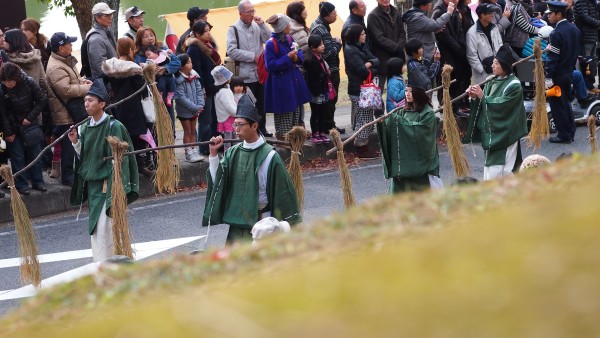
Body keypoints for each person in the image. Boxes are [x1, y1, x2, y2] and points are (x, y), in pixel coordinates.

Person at [203, 94, 301, 243]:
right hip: (237, 225)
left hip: (263, 225)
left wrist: (288, 223)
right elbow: (219, 183)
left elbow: (283, 193)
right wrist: (213, 154)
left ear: (254, 126)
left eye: (240, 125)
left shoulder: (270, 156)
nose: (236, 129)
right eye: (235, 124)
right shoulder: (232, 153)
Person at [69, 79, 139, 262]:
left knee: (106, 228)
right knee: (96, 229)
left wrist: (119, 183)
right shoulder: (84, 127)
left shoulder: (114, 126)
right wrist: (76, 142)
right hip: (92, 186)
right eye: (85, 100)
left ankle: (110, 264)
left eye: (91, 100)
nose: (86, 103)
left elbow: (126, 158)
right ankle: (103, 264)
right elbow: (84, 157)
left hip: (109, 185)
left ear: (102, 104)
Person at [464, 44, 528, 180]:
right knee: (490, 170)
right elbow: (484, 102)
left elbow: (503, 106)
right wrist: (475, 96)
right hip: (493, 131)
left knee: (504, 171)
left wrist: (483, 97)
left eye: (496, 63)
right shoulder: (490, 80)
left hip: (506, 133)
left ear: (504, 65)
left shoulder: (514, 85)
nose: (492, 66)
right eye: (493, 63)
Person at [377, 74, 442, 193]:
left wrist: (396, 121)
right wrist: (384, 123)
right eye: (406, 90)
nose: (407, 94)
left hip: (420, 166)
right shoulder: (403, 112)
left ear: (419, 93)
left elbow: (420, 133)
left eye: (411, 91)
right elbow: (394, 130)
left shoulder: (428, 114)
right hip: (402, 166)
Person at [46, 32, 93, 187]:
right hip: (64, 112)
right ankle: (68, 177)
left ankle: (74, 174)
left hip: (71, 110)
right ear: (61, 47)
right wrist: (85, 88)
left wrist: (82, 81)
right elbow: (65, 90)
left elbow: (73, 79)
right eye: (69, 44)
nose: (72, 46)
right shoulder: (55, 67)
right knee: (68, 146)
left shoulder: (65, 60)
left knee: (74, 142)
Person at [102, 37, 153, 177]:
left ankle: (126, 167)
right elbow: (141, 89)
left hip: (119, 105)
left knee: (123, 137)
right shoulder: (133, 69)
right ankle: (140, 166)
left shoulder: (111, 67)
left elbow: (102, 80)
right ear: (130, 49)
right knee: (136, 138)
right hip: (134, 106)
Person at [226, 0, 272, 137]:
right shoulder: (233, 29)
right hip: (245, 74)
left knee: (262, 104)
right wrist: (253, 56)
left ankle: (262, 130)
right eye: (249, 12)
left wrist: (263, 25)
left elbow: (270, 40)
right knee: (248, 105)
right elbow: (231, 51)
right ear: (241, 14)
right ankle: (250, 133)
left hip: (261, 73)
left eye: (253, 11)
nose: (252, 14)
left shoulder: (257, 26)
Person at [0, 62, 47, 195]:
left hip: (29, 124)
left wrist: (30, 117)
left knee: (35, 154)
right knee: (17, 156)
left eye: (10, 81)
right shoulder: (2, 89)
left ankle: (38, 181)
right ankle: (21, 184)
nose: (7, 84)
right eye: (5, 81)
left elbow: (41, 101)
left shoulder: (29, 82)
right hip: (12, 126)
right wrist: (8, 132)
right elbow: (2, 113)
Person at [264, 14, 311, 139]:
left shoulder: (289, 38)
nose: (290, 26)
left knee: (295, 109)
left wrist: (296, 57)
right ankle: (284, 137)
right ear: (282, 27)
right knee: (285, 110)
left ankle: (296, 136)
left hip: (293, 81)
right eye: (288, 24)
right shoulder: (270, 44)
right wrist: (288, 58)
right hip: (281, 84)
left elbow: (299, 52)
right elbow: (270, 66)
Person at [134, 26, 181, 136]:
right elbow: (140, 71)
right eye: (146, 37)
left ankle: (171, 142)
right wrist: (152, 71)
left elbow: (177, 62)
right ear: (140, 40)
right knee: (156, 127)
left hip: (167, 93)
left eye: (151, 35)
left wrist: (165, 69)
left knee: (170, 124)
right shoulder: (139, 56)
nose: (150, 38)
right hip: (152, 95)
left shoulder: (162, 48)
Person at [546, 1, 581, 143]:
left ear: (558, 14)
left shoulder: (557, 33)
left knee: (558, 105)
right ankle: (570, 132)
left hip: (558, 75)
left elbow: (553, 58)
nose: (548, 16)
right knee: (565, 103)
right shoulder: (575, 30)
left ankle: (564, 135)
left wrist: (548, 76)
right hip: (569, 72)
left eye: (551, 14)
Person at [344, 24, 380, 158]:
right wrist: (372, 67)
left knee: (366, 117)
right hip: (358, 89)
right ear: (356, 36)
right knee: (364, 119)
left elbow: (377, 61)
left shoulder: (362, 46)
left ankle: (363, 145)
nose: (365, 35)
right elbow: (362, 71)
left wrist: (370, 64)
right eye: (362, 34)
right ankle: (361, 147)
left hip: (364, 89)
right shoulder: (351, 50)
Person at [186, 21, 221, 153]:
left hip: (213, 86)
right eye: (206, 31)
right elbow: (197, 72)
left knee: (214, 118)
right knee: (205, 119)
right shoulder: (194, 49)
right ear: (197, 34)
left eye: (209, 30)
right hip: (204, 88)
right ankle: (204, 147)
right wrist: (202, 90)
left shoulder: (208, 45)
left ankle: (215, 143)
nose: (209, 33)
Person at [311, 2, 345, 134]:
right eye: (333, 13)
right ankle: (329, 126)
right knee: (330, 98)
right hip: (329, 69)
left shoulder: (316, 24)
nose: (336, 15)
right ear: (326, 15)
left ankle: (326, 125)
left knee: (327, 99)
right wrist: (337, 44)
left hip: (322, 68)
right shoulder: (322, 29)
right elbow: (328, 53)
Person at [432, 0, 471, 114]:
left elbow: (459, 30)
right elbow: (443, 34)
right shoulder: (439, 10)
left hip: (457, 50)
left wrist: (462, 47)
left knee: (457, 78)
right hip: (445, 51)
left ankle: (455, 105)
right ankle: (445, 105)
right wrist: (457, 48)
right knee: (445, 79)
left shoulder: (454, 8)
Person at [367, 0, 407, 90]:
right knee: (378, 90)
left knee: (397, 89)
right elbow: (378, 38)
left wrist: (400, 47)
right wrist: (396, 47)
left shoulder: (395, 11)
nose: (385, 0)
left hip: (396, 57)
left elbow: (402, 32)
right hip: (382, 58)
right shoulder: (373, 16)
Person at [174, 53, 204, 163]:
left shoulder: (195, 76)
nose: (191, 64)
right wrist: (195, 107)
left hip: (196, 109)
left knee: (193, 131)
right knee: (188, 131)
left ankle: (195, 150)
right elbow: (181, 98)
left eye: (191, 62)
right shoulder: (179, 80)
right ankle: (188, 153)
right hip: (185, 111)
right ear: (181, 66)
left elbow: (199, 91)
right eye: (188, 62)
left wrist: (200, 105)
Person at [303, 34, 333, 144]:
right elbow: (312, 78)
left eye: (322, 44)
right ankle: (315, 133)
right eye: (320, 45)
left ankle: (321, 132)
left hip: (322, 89)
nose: (323, 46)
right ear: (313, 48)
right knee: (315, 112)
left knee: (322, 112)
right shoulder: (310, 60)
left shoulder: (320, 57)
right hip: (315, 91)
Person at [466, 3, 504, 84]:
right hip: (483, 76)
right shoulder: (472, 33)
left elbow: (500, 45)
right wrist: (482, 70)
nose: (492, 15)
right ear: (482, 16)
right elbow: (471, 55)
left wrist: (500, 64)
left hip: (498, 70)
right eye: (490, 13)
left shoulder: (495, 27)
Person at [85, 2, 117, 79]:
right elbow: (99, 69)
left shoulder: (106, 31)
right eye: (106, 15)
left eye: (111, 14)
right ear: (97, 18)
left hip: (114, 81)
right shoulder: (96, 39)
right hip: (108, 86)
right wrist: (109, 89)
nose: (111, 17)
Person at [212, 65, 238, 151]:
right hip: (228, 118)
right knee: (230, 139)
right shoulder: (224, 92)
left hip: (228, 117)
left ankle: (233, 152)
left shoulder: (223, 90)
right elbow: (228, 106)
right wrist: (237, 113)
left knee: (232, 138)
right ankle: (229, 153)